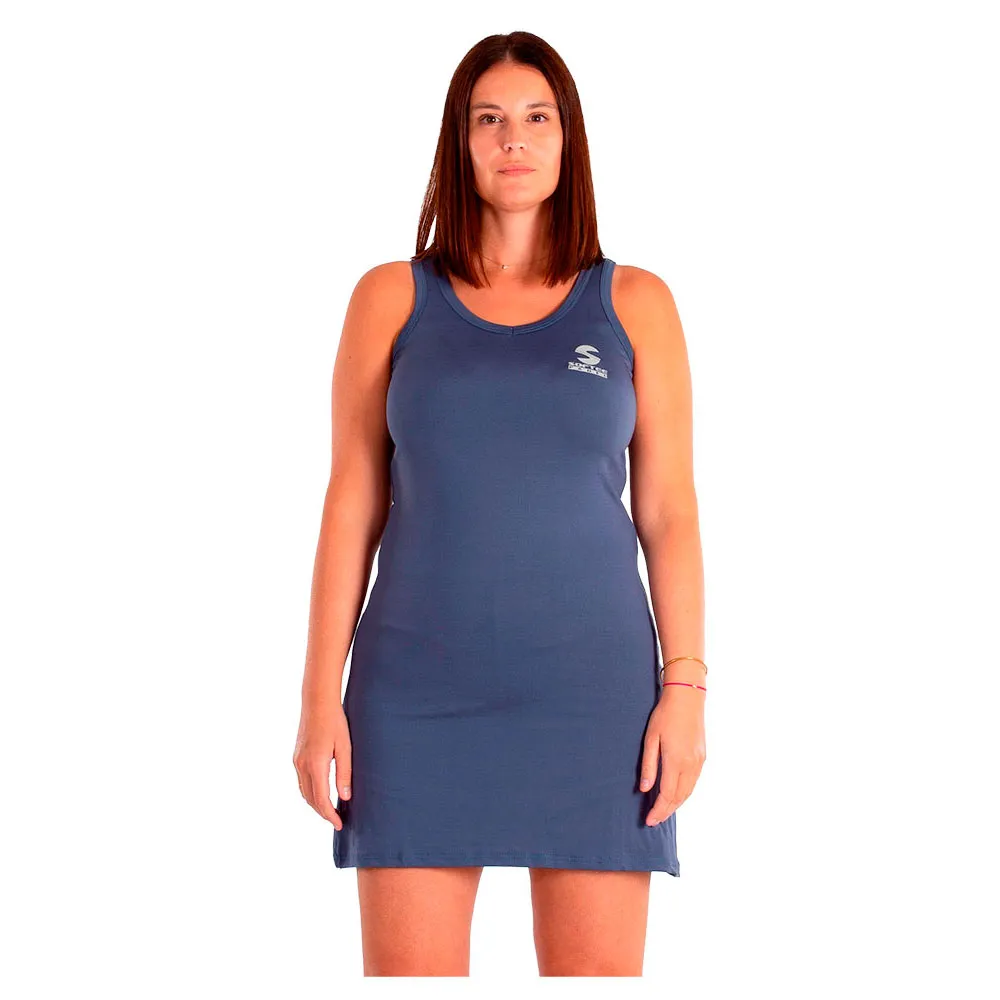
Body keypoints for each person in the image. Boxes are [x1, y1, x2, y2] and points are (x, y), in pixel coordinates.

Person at [293, 30, 707, 977]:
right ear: (461, 141)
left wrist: (685, 690)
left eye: (535, 117)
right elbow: (350, 504)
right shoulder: (390, 298)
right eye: (489, 119)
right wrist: (319, 699)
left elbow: (670, 513)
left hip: (595, 702)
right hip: (414, 700)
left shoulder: (636, 303)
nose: (512, 138)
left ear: (568, 139)